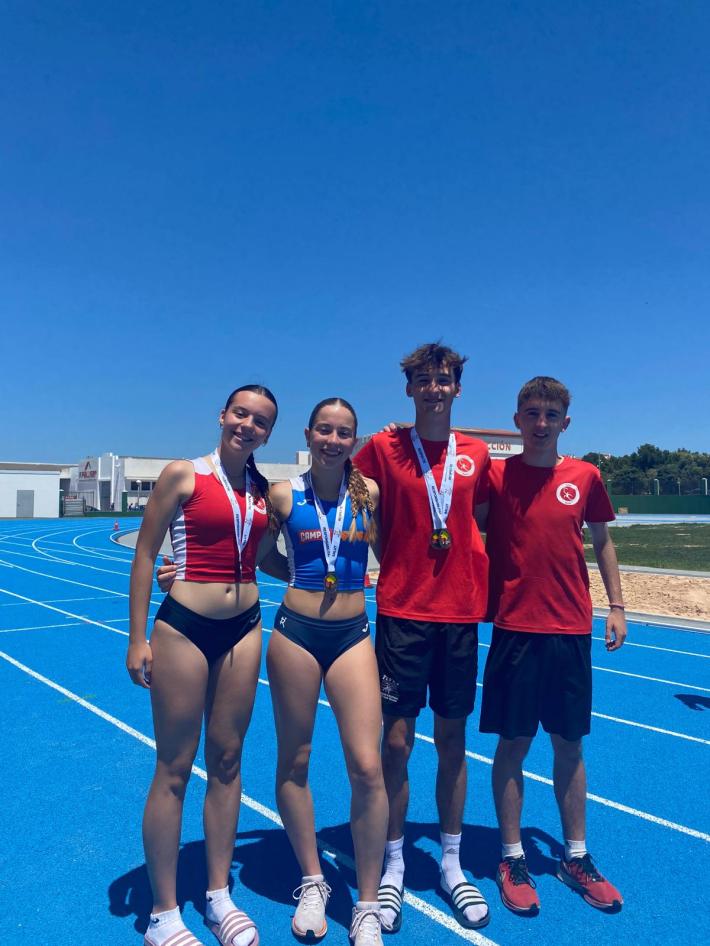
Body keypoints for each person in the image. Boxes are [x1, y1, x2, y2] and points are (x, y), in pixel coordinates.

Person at [127, 384, 281, 946]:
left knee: (228, 760)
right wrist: (136, 638)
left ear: (268, 433)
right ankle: (163, 914)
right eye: (241, 413)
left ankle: (218, 894)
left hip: (244, 627)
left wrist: (332, 571)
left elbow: (266, 558)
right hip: (184, 628)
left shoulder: (262, 490)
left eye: (260, 421)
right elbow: (146, 554)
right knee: (174, 766)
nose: (247, 425)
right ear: (222, 415)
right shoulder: (183, 474)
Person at [353, 343, 491, 932]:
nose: (434, 388)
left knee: (453, 741)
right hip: (403, 611)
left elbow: (491, 518)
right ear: (409, 388)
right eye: (424, 380)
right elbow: (347, 484)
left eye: (443, 379)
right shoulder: (384, 448)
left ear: (457, 388)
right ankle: (393, 864)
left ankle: (451, 864)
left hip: (459, 613)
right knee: (397, 742)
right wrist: (384, 548)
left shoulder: (477, 453)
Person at [479, 376, 626, 917]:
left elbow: (603, 541)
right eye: (532, 413)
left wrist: (616, 605)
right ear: (516, 420)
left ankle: (576, 857)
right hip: (514, 629)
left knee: (569, 745)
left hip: (569, 630)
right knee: (513, 744)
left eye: (550, 415)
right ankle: (512, 857)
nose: (540, 424)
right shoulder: (495, 476)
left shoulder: (585, 476)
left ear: (566, 422)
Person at [266, 397, 388, 946]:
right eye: (324, 430)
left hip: (352, 635)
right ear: (309, 434)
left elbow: (389, 551)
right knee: (295, 760)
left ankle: (366, 903)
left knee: (367, 766)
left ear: (354, 441)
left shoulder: (369, 494)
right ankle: (314, 881)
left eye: (344, 433)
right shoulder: (283, 494)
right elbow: (256, 553)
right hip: (295, 632)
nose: (333, 440)